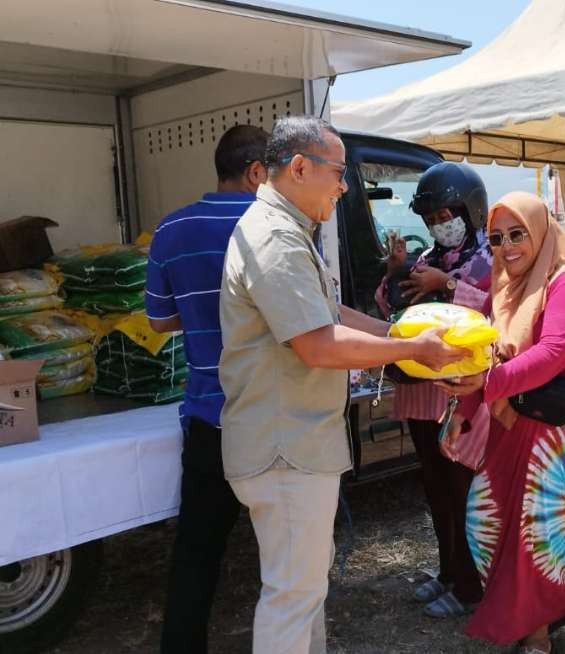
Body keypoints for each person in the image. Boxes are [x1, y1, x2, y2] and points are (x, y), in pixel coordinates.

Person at [218, 116, 468, 654]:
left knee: (304, 590)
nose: (345, 186)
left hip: (294, 442)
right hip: (285, 445)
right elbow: (318, 344)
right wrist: (412, 350)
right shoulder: (275, 237)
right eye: (338, 173)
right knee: (292, 595)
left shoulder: (284, 230)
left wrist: (400, 331)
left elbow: (328, 313)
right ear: (300, 168)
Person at [439, 192, 565, 653]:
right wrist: (465, 414)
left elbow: (552, 355)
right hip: (515, 419)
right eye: (496, 238)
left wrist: (485, 384)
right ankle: (551, 609)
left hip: (562, 427)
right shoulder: (506, 284)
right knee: (489, 519)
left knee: (540, 533)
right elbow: (490, 355)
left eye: (518, 234)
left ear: (542, 231)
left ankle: (537, 634)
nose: (507, 246)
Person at [146, 125, 268, 654]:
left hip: (207, 416)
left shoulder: (170, 230)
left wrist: (203, 315)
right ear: (256, 172)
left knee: (197, 551)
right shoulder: (273, 226)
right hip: (269, 415)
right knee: (285, 556)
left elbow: (158, 321)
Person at [373, 162, 491, 618]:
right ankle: (447, 572)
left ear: (470, 209)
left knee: (461, 489)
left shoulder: (487, 259)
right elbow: (389, 304)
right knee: (435, 488)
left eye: (447, 216)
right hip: (420, 394)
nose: (441, 226)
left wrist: (448, 285)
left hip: (458, 395)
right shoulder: (427, 261)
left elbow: (493, 310)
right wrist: (396, 269)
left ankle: (470, 585)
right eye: (433, 220)